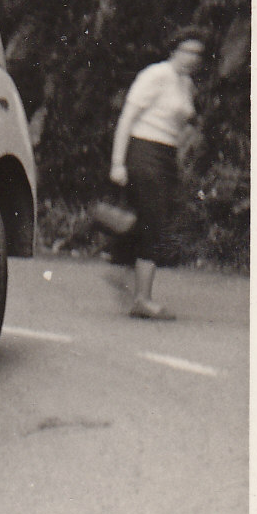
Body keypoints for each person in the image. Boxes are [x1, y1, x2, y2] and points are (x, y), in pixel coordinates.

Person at [109, 29, 205, 319]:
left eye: (197, 53)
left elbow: (184, 120)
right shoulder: (156, 75)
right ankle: (143, 299)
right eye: (186, 51)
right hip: (143, 151)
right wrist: (117, 162)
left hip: (166, 155)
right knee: (154, 218)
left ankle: (128, 271)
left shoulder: (185, 83)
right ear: (173, 49)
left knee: (154, 217)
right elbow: (127, 117)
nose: (192, 58)